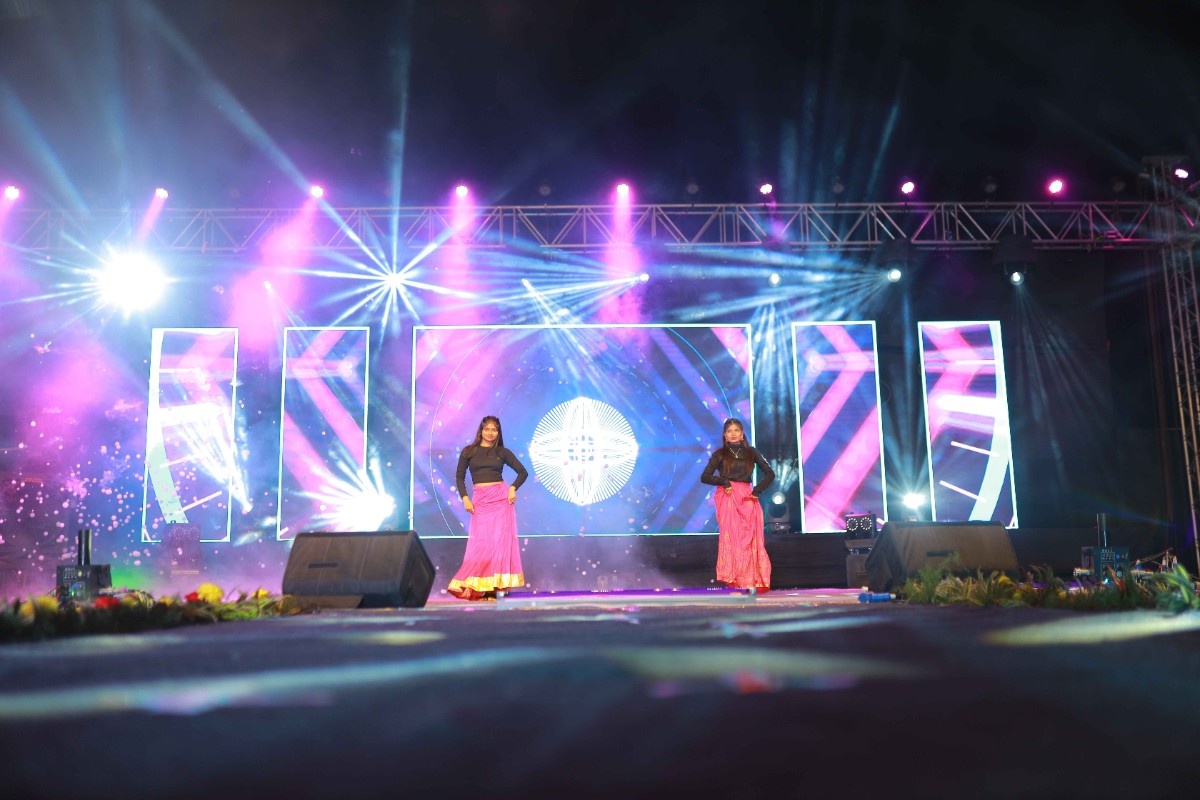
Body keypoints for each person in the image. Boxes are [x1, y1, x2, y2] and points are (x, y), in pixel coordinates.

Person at [447, 415, 529, 600]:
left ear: (498, 432)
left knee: (498, 544)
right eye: (487, 429)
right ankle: (478, 584)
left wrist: (512, 488)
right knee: (482, 544)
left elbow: (523, 472)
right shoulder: (469, 451)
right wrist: (465, 498)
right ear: (481, 430)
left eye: (494, 430)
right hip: (480, 501)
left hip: (501, 500)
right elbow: (459, 477)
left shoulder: (502, 452)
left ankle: (494, 589)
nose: (490, 433)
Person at [700, 417, 775, 591]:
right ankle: (734, 581)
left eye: (736, 431)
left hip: (747, 497)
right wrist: (724, 481)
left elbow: (770, 474)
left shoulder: (752, 453)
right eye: (729, 431)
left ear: (742, 434)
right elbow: (705, 477)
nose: (733, 434)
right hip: (727, 497)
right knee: (733, 538)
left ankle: (753, 581)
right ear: (725, 435)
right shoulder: (719, 454)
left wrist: (757, 490)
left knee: (750, 538)